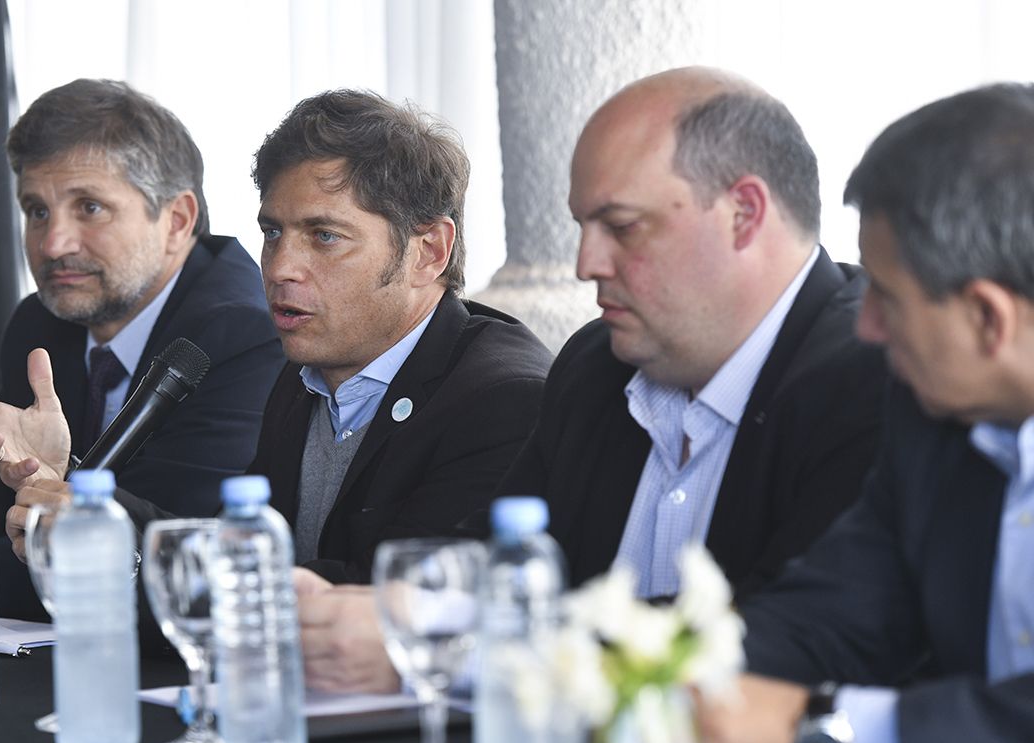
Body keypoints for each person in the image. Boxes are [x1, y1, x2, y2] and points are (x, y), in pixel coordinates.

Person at [293, 67, 889, 693]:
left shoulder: (872, 377)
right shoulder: (596, 365)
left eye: (623, 227)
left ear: (744, 213)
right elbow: (501, 558)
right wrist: (359, 607)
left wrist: (438, 641)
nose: (587, 264)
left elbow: (779, 637)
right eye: (583, 227)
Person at [0, 90, 552, 643]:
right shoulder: (305, 377)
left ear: (429, 252)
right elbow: (238, 552)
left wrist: (122, 543)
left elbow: (374, 607)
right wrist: (79, 498)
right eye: (273, 232)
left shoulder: (501, 400)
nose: (280, 268)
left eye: (324, 236)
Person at [698, 83, 1034, 743]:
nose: (866, 325)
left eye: (887, 295)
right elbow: (833, 616)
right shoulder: (932, 422)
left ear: (986, 318)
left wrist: (822, 733)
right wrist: (667, 682)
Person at [0, 78, 283, 621]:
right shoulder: (42, 323)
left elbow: (156, 558)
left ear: (176, 220)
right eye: (37, 211)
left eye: (89, 208)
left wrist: (51, 508)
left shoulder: (242, 334)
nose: (53, 244)